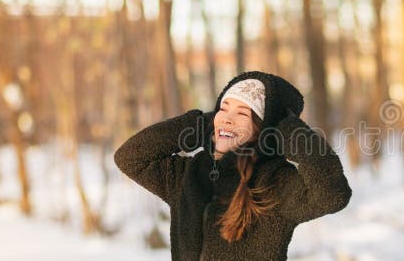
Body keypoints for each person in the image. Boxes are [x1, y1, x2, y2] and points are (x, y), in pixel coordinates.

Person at [114, 71, 352, 260]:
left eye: (242, 113)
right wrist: (202, 123)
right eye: (223, 108)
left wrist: (287, 129)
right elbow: (130, 157)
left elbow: (332, 195)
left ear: (263, 128)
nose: (227, 117)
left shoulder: (275, 182)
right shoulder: (188, 174)